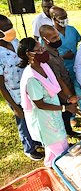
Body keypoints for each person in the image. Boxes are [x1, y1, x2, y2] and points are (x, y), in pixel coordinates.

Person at [18, 38, 78, 167]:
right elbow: (40, 104)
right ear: (29, 54)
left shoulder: (44, 65)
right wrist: (65, 108)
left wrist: (68, 99)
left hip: (53, 113)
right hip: (43, 118)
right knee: (56, 143)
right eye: (39, 50)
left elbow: (55, 84)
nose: (43, 51)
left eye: (43, 48)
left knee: (59, 139)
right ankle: (61, 165)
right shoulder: (31, 79)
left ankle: (51, 164)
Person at [0, 15, 43, 161]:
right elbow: (1, 86)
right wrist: (15, 107)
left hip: (28, 87)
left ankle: (37, 139)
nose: (10, 29)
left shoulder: (14, 41)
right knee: (23, 120)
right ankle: (29, 148)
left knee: (33, 115)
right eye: (6, 28)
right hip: (15, 93)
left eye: (10, 25)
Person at [39, 25, 81, 137]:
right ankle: (66, 133)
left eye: (57, 36)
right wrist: (68, 97)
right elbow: (58, 80)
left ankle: (68, 131)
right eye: (54, 38)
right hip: (61, 91)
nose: (58, 39)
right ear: (45, 39)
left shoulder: (54, 50)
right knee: (64, 113)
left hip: (65, 84)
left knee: (67, 113)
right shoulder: (48, 57)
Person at [50, 6, 81, 125]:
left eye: (66, 17)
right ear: (54, 18)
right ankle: (71, 116)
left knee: (80, 90)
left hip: (76, 66)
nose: (65, 20)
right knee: (68, 93)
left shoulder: (72, 30)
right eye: (61, 18)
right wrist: (63, 56)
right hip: (62, 69)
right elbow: (48, 54)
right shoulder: (50, 34)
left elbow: (78, 41)